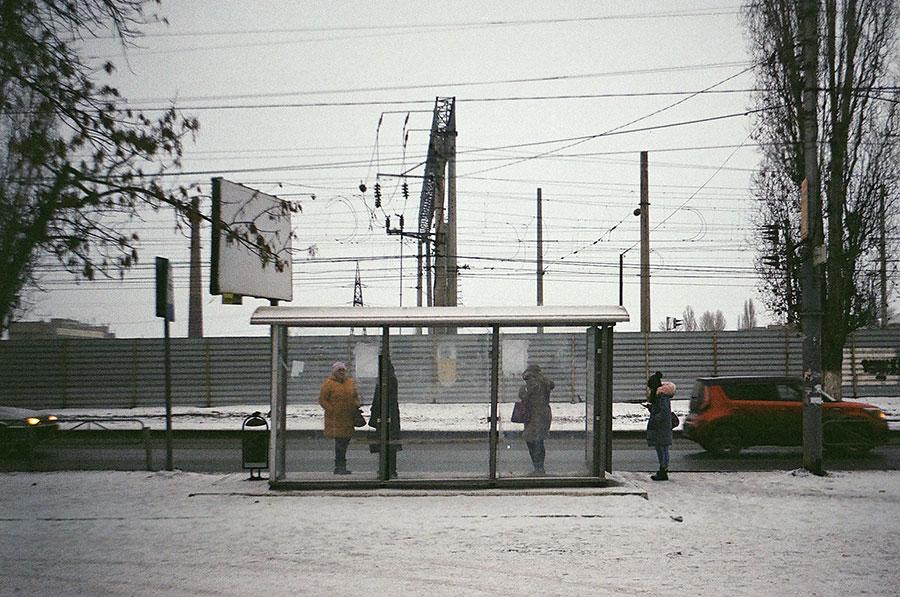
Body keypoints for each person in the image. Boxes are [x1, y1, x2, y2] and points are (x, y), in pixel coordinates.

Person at [318, 361, 360, 475]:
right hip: (336, 419)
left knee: (344, 442)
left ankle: (341, 466)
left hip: (348, 418)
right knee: (340, 443)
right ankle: (339, 466)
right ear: (334, 372)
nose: (342, 372)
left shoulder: (349, 382)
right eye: (339, 370)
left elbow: (355, 396)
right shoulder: (328, 384)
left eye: (343, 370)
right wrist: (332, 409)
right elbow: (322, 399)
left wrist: (356, 405)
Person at [518, 363, 554, 476]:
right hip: (542, 414)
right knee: (538, 441)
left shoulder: (533, 383)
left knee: (533, 441)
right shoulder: (544, 382)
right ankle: (539, 468)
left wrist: (525, 384)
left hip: (535, 415)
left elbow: (523, 394)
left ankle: (539, 468)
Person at [369, 357, 402, 479]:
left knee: (387, 443)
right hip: (389, 416)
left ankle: (388, 469)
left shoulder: (386, 380)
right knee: (389, 443)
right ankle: (389, 469)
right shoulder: (389, 378)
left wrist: (375, 414)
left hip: (386, 417)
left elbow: (379, 399)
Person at [645, 371, 675, 481]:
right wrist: (651, 408)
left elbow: (664, 412)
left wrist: (655, 418)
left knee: (663, 448)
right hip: (660, 427)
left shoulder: (662, 396)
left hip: (662, 427)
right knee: (660, 447)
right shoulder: (659, 396)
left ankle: (664, 470)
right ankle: (662, 469)